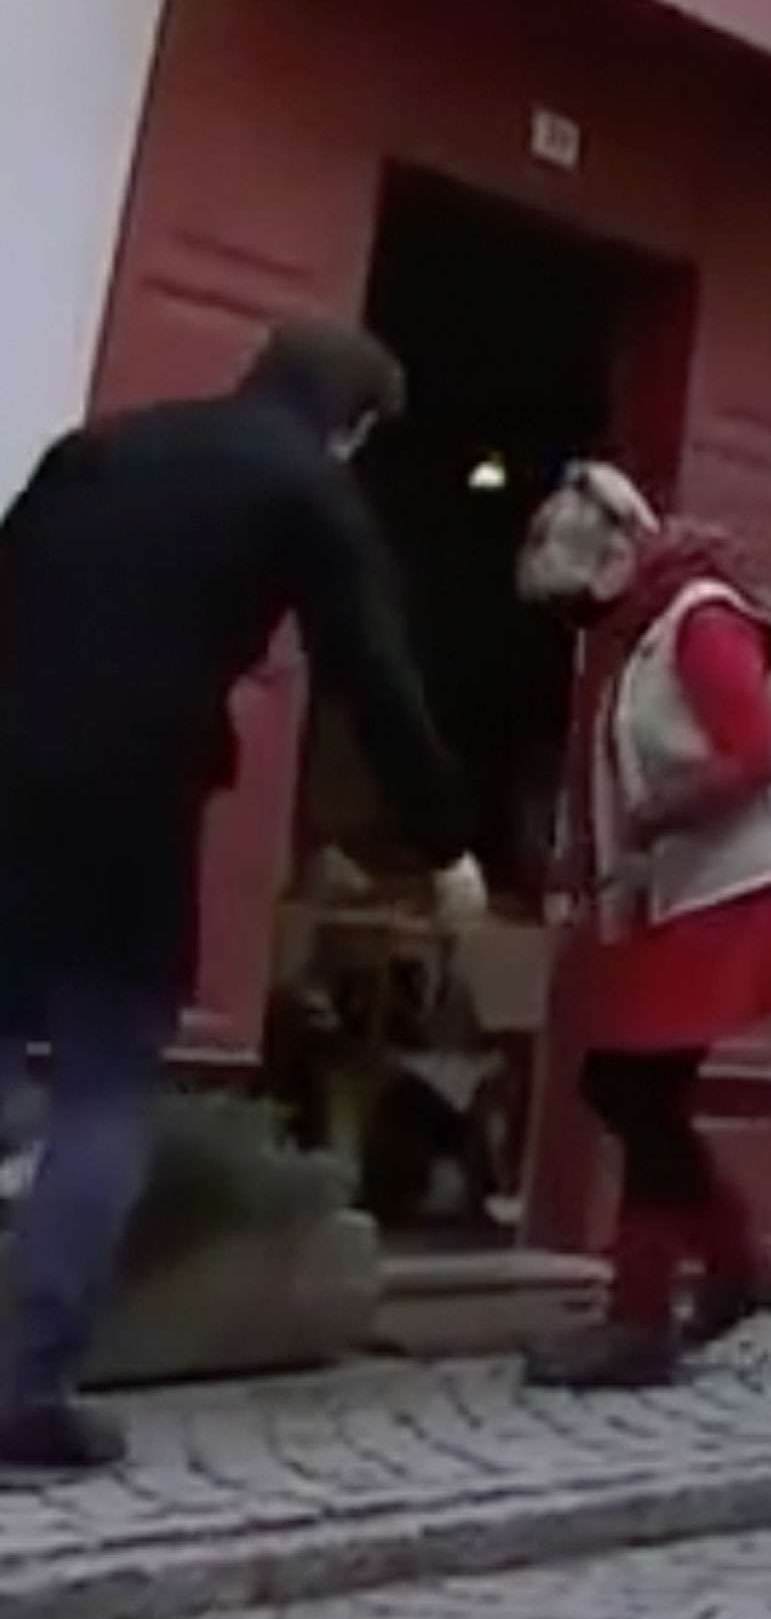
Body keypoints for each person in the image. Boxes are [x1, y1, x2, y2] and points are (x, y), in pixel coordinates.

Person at [0, 321, 485, 1477]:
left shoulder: (97, 449)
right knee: (105, 1090)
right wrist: (445, 841)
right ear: (351, 424)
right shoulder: (307, 488)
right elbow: (372, 670)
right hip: (126, 811)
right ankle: (21, 1389)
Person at [514, 461, 771, 1391]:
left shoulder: (700, 622)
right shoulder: (649, 632)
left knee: (632, 1087)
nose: (577, 623)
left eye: (578, 601)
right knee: (636, 1091)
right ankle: (730, 1271)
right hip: (696, 887)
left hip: (738, 888)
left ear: (616, 560)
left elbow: (754, 754)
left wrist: (653, 819)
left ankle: (652, 1315)